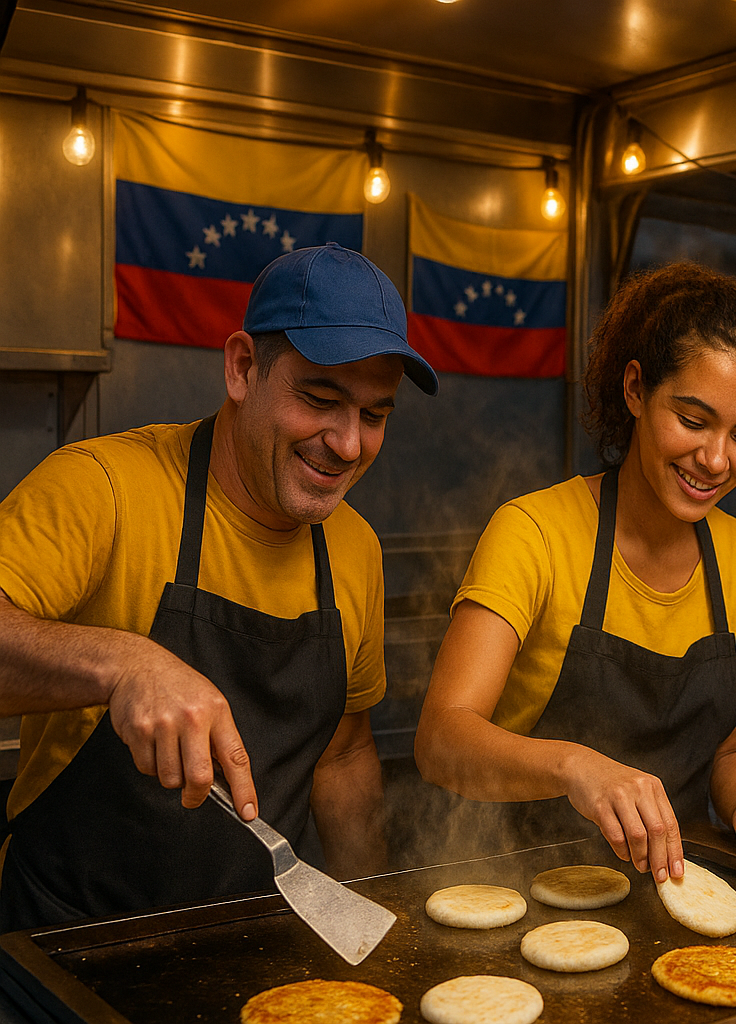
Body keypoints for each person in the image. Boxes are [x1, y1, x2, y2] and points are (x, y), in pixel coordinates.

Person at [0, 243, 438, 928]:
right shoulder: (104, 487)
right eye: (320, 399)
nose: (348, 444)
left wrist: (373, 915)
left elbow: (344, 754)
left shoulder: (355, 551)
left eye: (374, 415)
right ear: (241, 368)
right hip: (67, 944)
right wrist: (124, 664)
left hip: (249, 949)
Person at [415, 262, 736, 881]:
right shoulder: (534, 532)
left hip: (676, 885)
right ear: (634, 390)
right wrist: (576, 767)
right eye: (694, 420)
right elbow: (441, 742)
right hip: (515, 883)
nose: (715, 459)